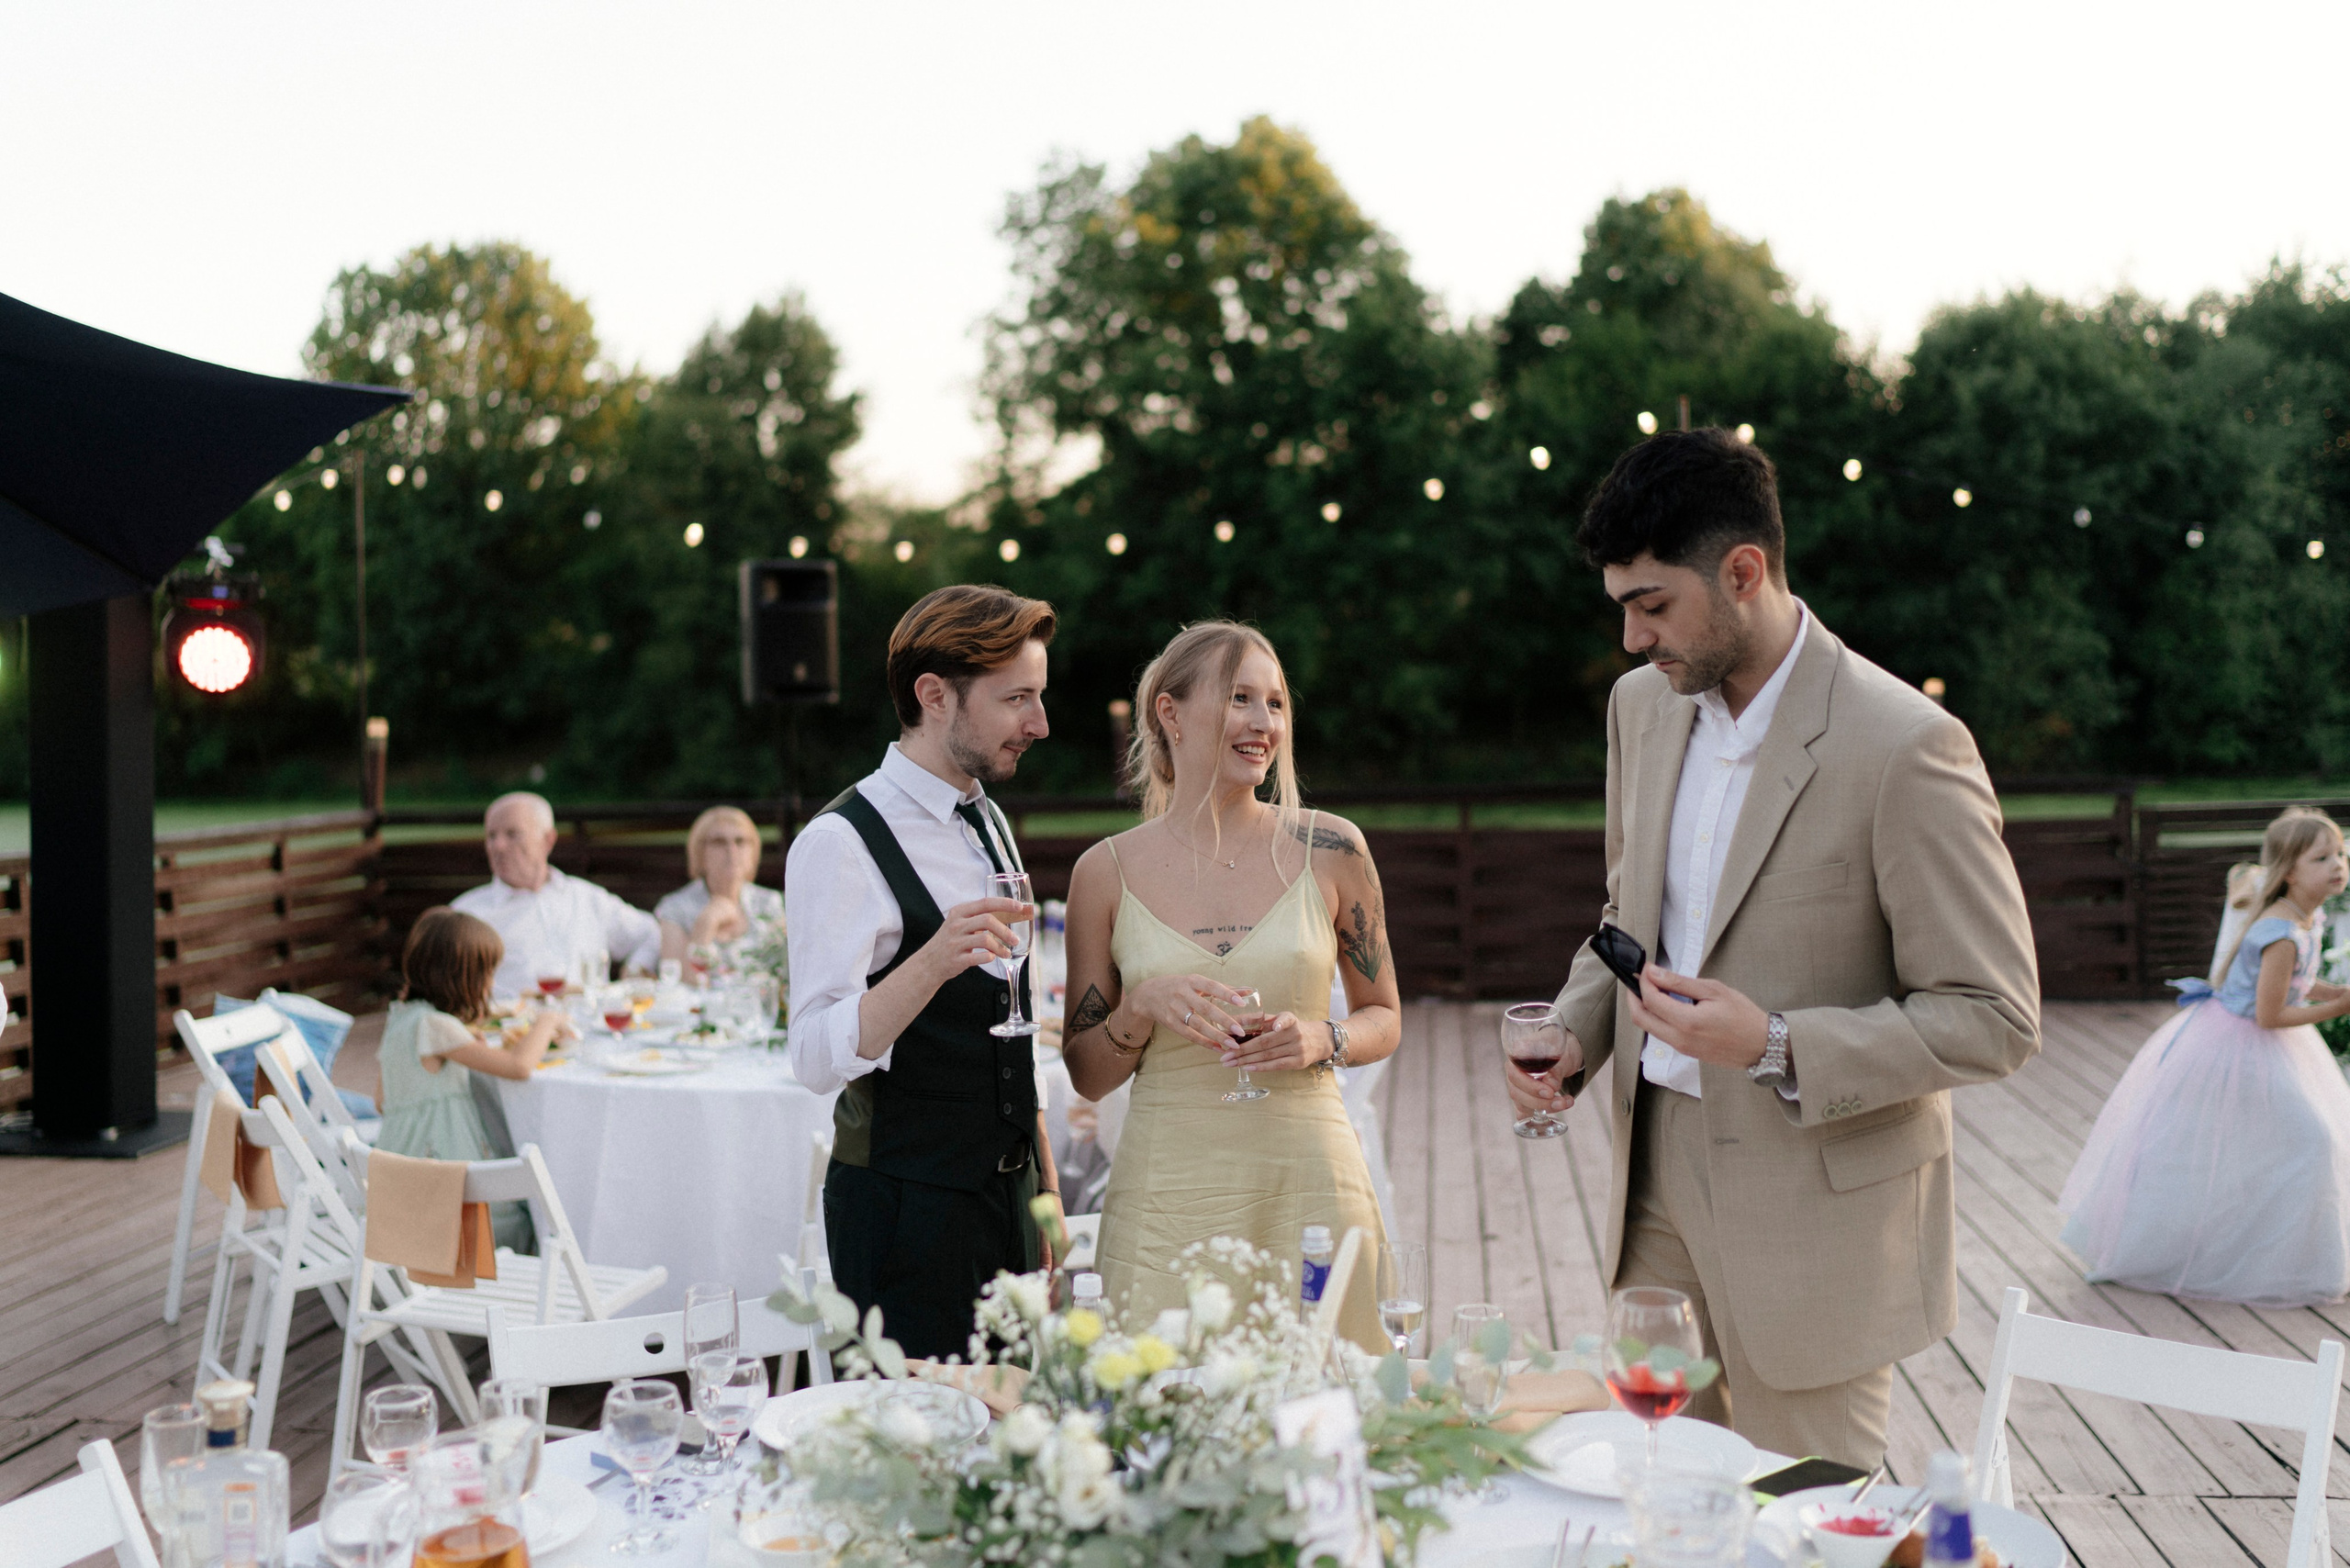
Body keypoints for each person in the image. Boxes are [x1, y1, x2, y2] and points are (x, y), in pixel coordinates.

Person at [1504, 428, 2040, 1468]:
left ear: (1743, 572)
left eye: (1651, 605)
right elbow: (1625, 918)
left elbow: (1995, 1017)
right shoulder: (1639, 711)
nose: (1629, 639)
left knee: (1805, 1524)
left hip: (1818, 1219)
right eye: (1620, 605)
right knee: (1658, 1497)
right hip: (1651, 1182)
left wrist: (1776, 1041)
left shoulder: (1906, 745)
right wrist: (1575, 1033)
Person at [1062, 622, 1400, 1352]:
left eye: (1275, 703)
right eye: (1241, 698)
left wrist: (1323, 1037)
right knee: (1161, 1422)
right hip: (1167, 1191)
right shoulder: (1103, 873)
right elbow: (1088, 1074)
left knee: (1332, 1409)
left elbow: (1383, 1017)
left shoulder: (1334, 848)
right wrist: (1140, 1006)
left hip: (1307, 1176)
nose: (1263, 723)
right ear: (1170, 713)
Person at [786, 585, 1065, 1358]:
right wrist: (933, 961)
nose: (1040, 724)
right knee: (919, 1457)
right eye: (1018, 700)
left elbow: (1012, 1031)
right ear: (935, 696)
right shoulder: (839, 842)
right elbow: (812, 1056)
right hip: (907, 1213)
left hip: (1006, 1199)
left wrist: (1042, 1192)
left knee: (1011, 1439)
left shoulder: (987, 814)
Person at [2061, 807, 2350, 1305]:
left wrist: (2331, 991)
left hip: (2265, 1043)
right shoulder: (2280, 932)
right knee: (2311, 1139)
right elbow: (2270, 1013)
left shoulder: (2307, 916)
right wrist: (2340, 1007)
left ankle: (2300, 1257)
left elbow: (2295, 984)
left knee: (2288, 1143)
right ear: (2289, 872)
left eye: (2341, 852)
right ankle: (2184, 1253)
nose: (2339, 864)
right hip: (2241, 1044)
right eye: (2323, 857)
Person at [377, 906, 576, 1251]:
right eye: (487, 974)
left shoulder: (401, 1017)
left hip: (401, 1174)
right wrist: (546, 1021)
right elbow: (519, 1067)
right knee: (523, 1219)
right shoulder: (437, 1027)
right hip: (444, 1181)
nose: (491, 985)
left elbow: (382, 1100)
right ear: (460, 978)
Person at [452, 791, 661, 999]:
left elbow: (650, 933)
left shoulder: (586, 898)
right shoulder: (467, 915)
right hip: (515, 1030)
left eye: (512, 834)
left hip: (593, 1027)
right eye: (491, 836)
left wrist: (635, 972)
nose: (498, 846)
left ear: (548, 840)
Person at [656, 805, 783, 966]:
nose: (731, 850)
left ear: (753, 853)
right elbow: (678, 980)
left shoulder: (771, 903)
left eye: (740, 841)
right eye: (719, 842)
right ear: (699, 853)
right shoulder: (674, 908)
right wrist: (705, 926)